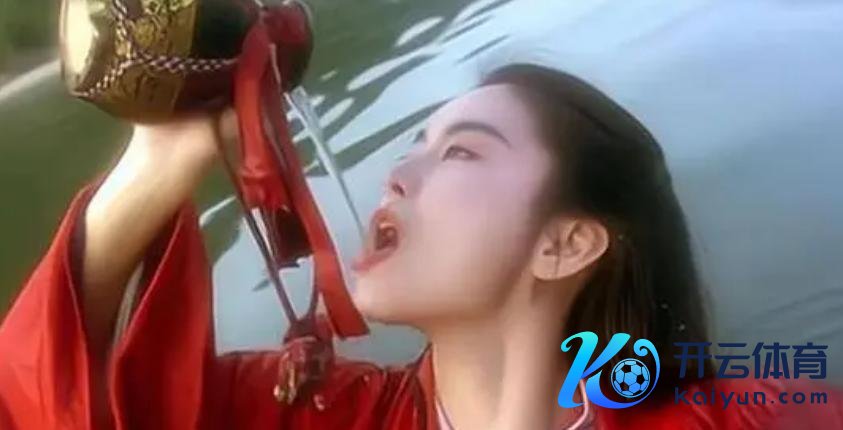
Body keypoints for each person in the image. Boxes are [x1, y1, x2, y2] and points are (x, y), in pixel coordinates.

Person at [0, 64, 840, 429]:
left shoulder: (751, 419)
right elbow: (54, 407)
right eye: (414, 145)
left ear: (565, 243)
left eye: (461, 153)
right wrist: (158, 166)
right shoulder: (309, 413)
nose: (397, 173)